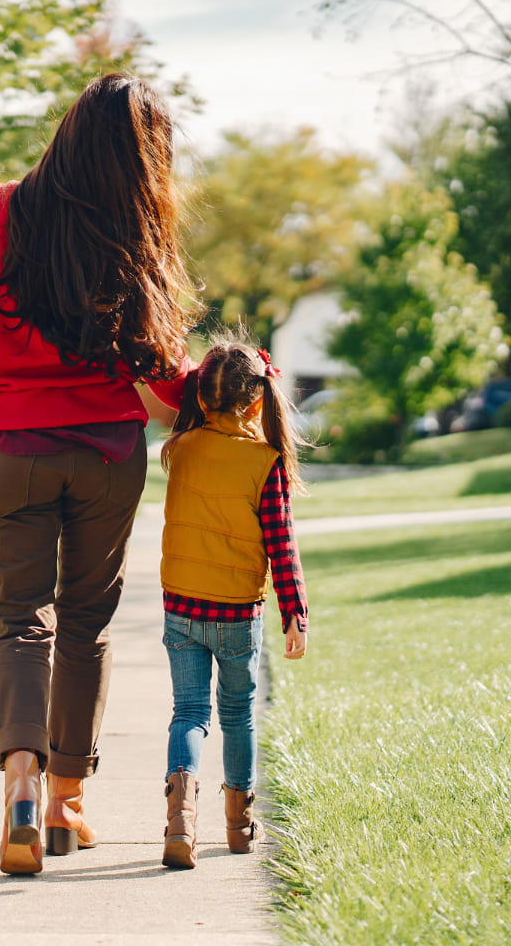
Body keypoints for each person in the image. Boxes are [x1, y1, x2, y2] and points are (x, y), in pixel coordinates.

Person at [0, 73, 198, 874]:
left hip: (9, 450)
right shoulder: (134, 230)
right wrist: (228, 385)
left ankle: (17, 782)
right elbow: (162, 374)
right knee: (84, 624)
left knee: (21, 621)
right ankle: (65, 803)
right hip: (105, 455)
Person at [156, 337, 310, 870]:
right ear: (255, 402)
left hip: (181, 606)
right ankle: (239, 825)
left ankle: (181, 822)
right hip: (238, 613)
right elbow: (280, 543)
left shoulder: (180, 449)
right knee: (238, 712)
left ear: (201, 398)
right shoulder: (264, 463)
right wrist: (295, 613)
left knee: (189, 713)